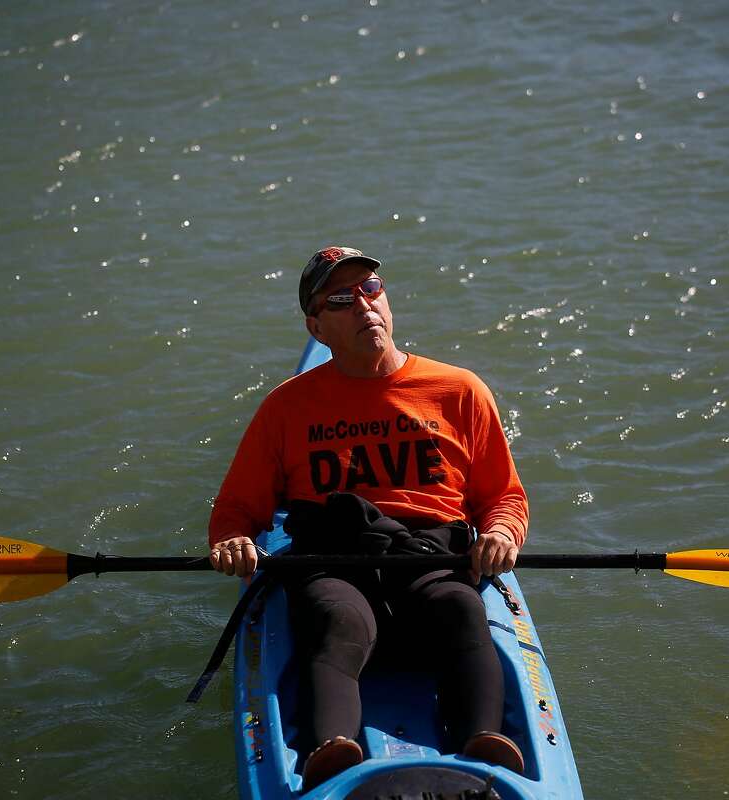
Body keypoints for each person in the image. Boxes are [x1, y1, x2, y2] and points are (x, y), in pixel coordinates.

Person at [208, 245, 528, 789]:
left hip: (428, 554)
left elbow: (504, 496)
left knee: (458, 606)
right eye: (340, 299)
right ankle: (332, 756)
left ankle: (484, 754)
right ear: (316, 326)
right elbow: (238, 509)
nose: (363, 305)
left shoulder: (460, 391)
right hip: (335, 560)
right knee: (340, 621)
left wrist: (500, 531)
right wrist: (233, 540)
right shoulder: (285, 409)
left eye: (371, 289)